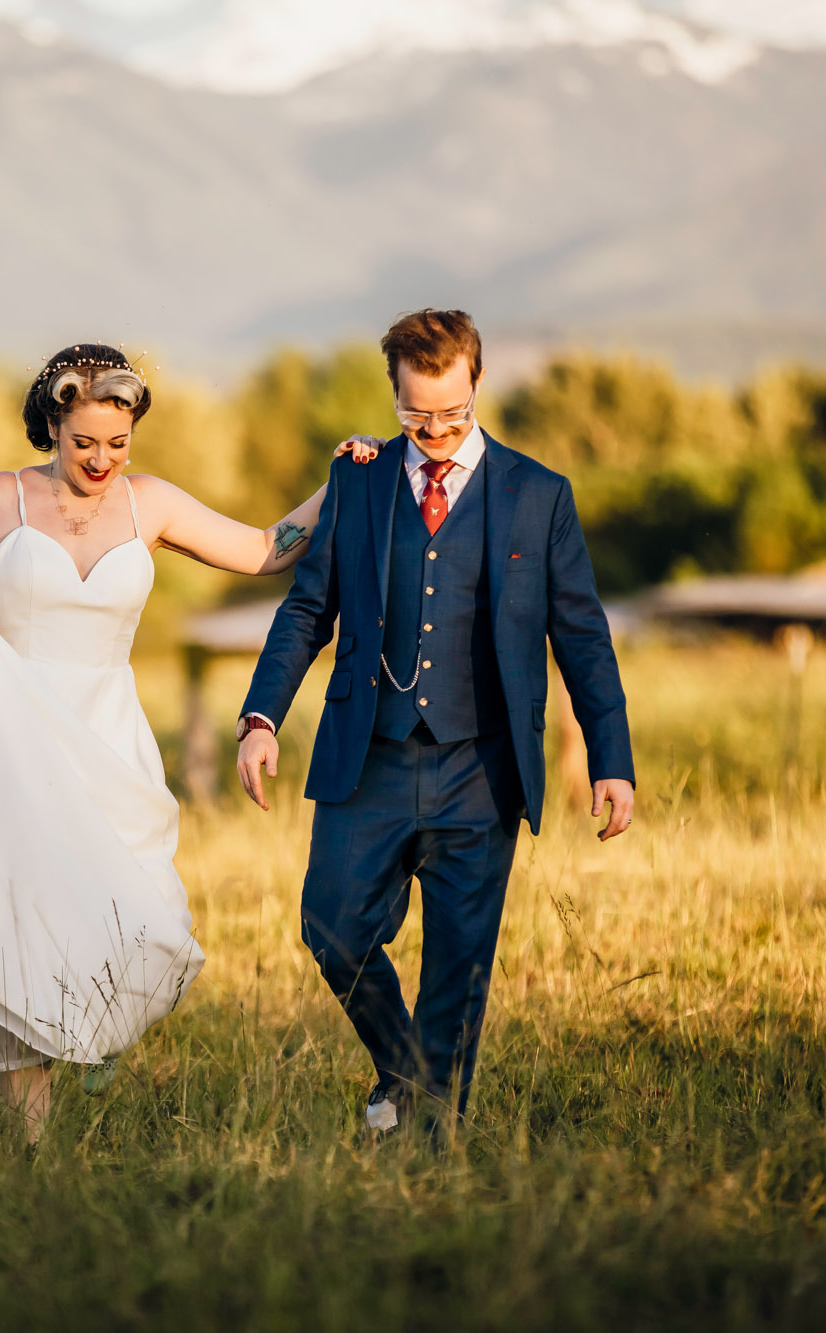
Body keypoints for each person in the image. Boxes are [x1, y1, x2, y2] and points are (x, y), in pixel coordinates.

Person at [0, 344, 377, 1137]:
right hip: (9, 739)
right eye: (84, 442)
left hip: (108, 739)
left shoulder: (151, 504)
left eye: (118, 443)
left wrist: (338, 482)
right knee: (19, 924)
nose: (102, 459)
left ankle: (90, 1040)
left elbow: (266, 548)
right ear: (51, 426)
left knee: (135, 922)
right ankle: (33, 1143)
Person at [236, 309, 635, 1139]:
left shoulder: (540, 496)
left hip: (482, 767)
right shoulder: (359, 480)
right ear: (393, 394)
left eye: (453, 414)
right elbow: (308, 609)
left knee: (458, 967)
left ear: (477, 385)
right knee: (331, 925)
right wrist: (262, 715)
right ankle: (403, 1074)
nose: (438, 431)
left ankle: (431, 1146)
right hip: (368, 755)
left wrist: (611, 758)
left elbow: (584, 637)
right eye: (418, 416)